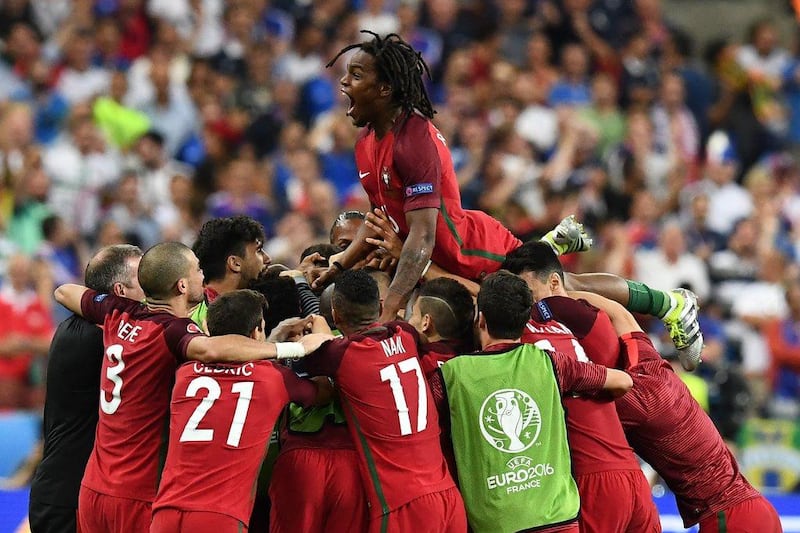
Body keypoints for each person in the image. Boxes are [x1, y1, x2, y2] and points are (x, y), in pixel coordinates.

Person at [53, 242, 331, 533]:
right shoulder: (173, 330)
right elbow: (210, 350)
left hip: (93, 488)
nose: (203, 275)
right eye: (197, 270)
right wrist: (292, 349)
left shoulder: (117, 312)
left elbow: (63, 291)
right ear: (182, 285)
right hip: (138, 493)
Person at [505, 245, 781, 533]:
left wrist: (537, 305)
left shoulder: (632, 401)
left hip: (730, 517)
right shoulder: (649, 361)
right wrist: (565, 289)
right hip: (750, 508)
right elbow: (619, 313)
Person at [439, 271, 633, 533]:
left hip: (498, 524)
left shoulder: (452, 374)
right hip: (560, 519)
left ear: (480, 319)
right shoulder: (550, 364)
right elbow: (623, 382)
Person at [504, 242, 659, 532]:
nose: (525, 303)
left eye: (528, 294)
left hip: (592, 478)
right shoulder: (589, 323)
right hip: (629, 471)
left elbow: (494, 304)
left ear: (553, 283)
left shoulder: (530, 338)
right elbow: (617, 312)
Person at [151, 289, 332, 532]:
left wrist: (271, 341)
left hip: (166, 513)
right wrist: (319, 338)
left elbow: (232, 361)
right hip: (220, 517)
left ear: (207, 326)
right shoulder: (274, 379)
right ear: (257, 330)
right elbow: (325, 392)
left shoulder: (185, 372)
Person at [301, 269, 467, 533]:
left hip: (404, 506)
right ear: (379, 306)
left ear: (336, 314)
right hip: (449, 497)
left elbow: (308, 356)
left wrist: (320, 329)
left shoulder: (340, 355)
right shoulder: (405, 334)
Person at [29, 244, 144, 533]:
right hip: (70, 498)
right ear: (120, 292)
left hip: (66, 489)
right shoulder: (102, 338)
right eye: (144, 279)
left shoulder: (75, 327)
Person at [190, 215, 271, 325]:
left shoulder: (244, 307)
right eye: (259, 250)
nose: (268, 258)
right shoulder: (200, 322)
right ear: (235, 263)